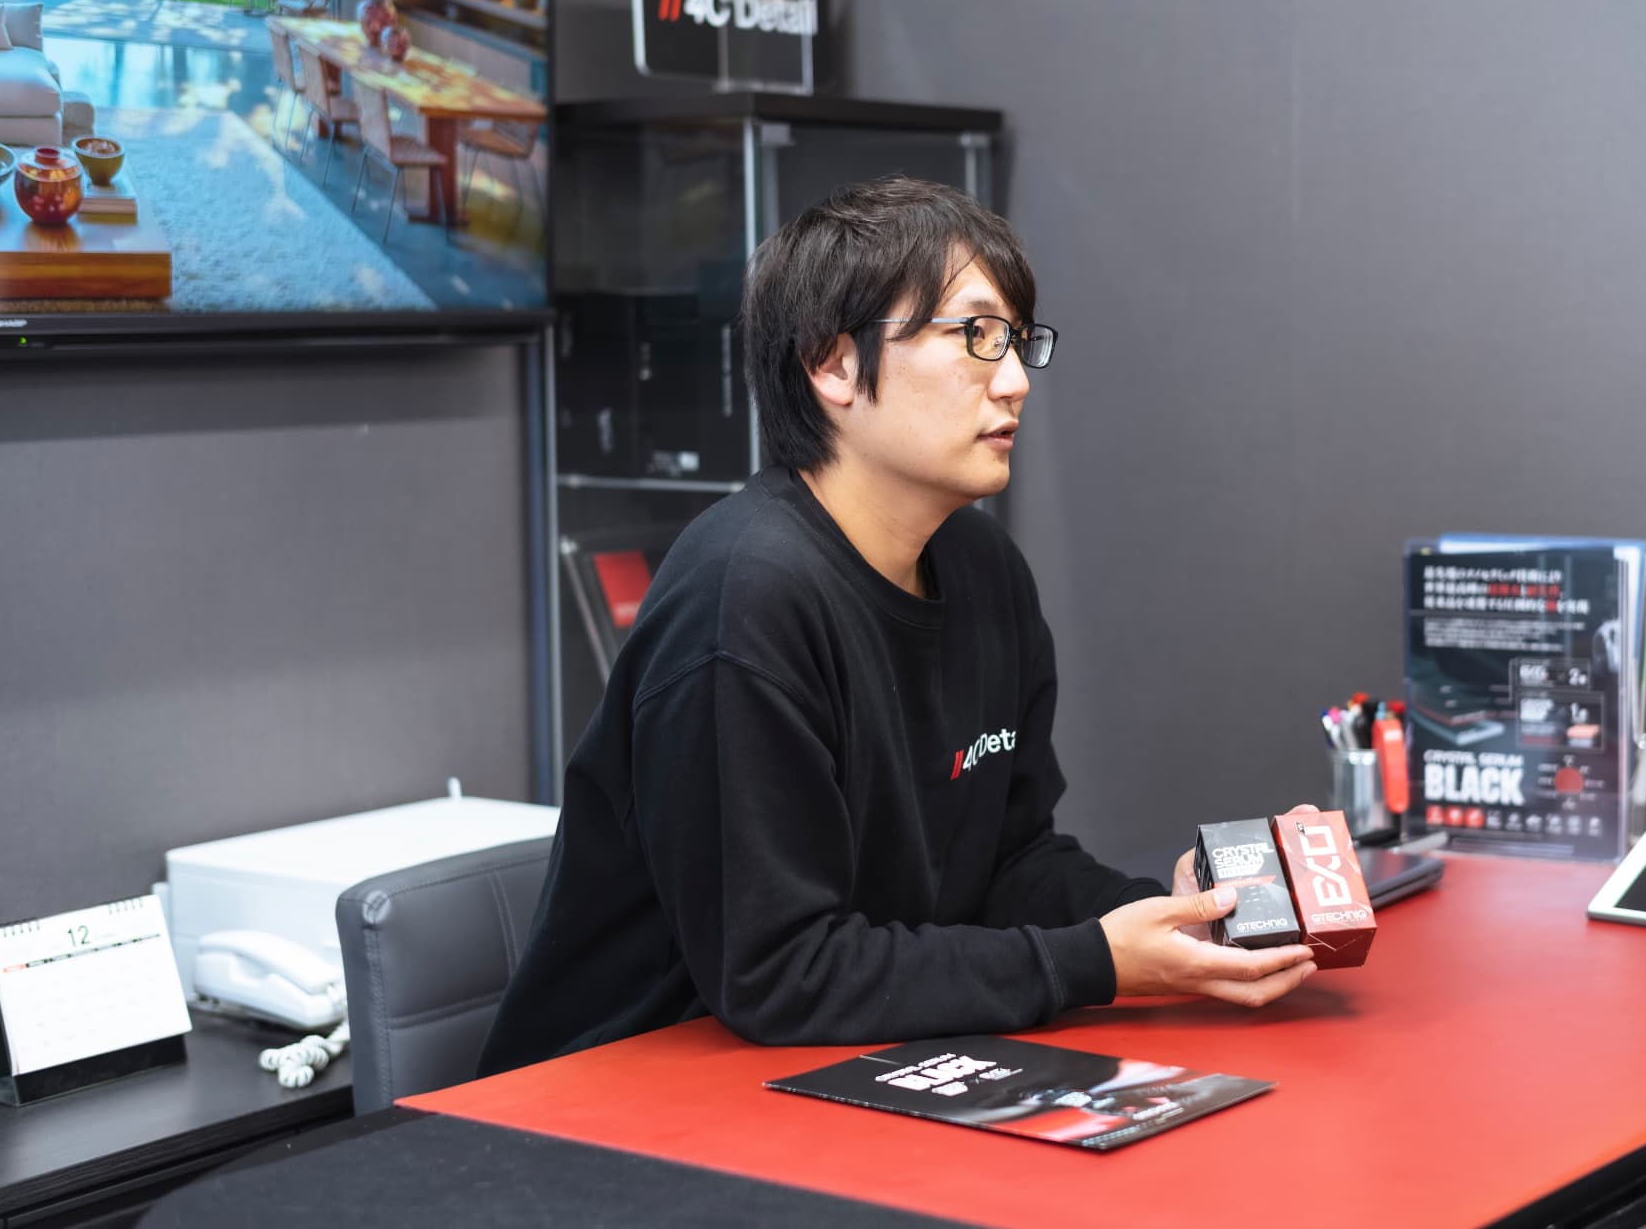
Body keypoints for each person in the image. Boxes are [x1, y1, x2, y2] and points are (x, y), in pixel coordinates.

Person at [479, 176, 1315, 1070]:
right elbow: (779, 973)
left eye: (1018, 341)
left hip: (838, 1064)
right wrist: (1095, 963)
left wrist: (1177, 917)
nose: (1015, 381)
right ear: (833, 364)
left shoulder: (984, 569)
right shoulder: (745, 596)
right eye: (975, 337)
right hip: (624, 1092)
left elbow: (1007, 863)